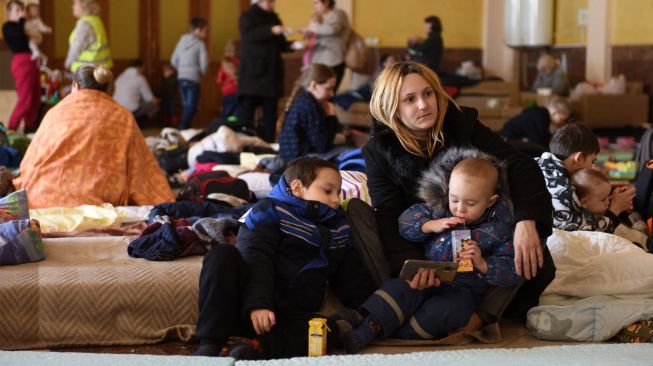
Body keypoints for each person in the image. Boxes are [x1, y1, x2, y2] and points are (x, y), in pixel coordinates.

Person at [362, 61, 555, 324]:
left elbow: (519, 164)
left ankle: (480, 315)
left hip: (483, 238)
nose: (423, 104)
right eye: (410, 99)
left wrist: (526, 220)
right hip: (424, 244)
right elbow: (389, 215)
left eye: (428, 94)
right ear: (392, 109)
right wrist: (414, 269)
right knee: (365, 226)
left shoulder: (461, 124)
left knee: (537, 260)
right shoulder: (378, 151)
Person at [193, 157, 376, 359]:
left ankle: (255, 349)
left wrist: (374, 311)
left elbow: (351, 277)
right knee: (221, 254)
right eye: (327, 191)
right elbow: (256, 258)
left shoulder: (339, 226)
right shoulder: (268, 211)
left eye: (338, 192)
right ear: (298, 188)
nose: (335, 199)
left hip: (286, 314)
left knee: (327, 330)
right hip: (246, 301)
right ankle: (209, 345)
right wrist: (258, 305)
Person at [342, 149, 522, 353]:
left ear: (490, 201)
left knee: (447, 312)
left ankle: (384, 328)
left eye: (471, 203)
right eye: (455, 200)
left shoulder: (499, 228)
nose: (460, 209)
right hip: (425, 275)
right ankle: (368, 325)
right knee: (399, 289)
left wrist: (483, 264)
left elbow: (512, 268)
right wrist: (429, 226)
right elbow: (404, 222)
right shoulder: (439, 209)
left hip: (462, 291)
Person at [13, 65, 174, 209]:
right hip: (98, 204)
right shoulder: (123, 116)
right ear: (106, 88)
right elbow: (141, 168)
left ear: (76, 86)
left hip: (44, 198)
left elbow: (30, 162)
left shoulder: (55, 112)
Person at [538, 123, 635, 232]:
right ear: (578, 158)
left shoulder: (539, 163)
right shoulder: (565, 193)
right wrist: (615, 209)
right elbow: (589, 239)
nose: (593, 167)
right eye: (592, 161)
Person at [237, 0, 291, 143]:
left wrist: (291, 45)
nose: (272, 4)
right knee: (246, 114)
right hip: (252, 75)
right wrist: (271, 30)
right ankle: (242, 143)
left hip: (271, 75)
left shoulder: (274, 17)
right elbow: (249, 36)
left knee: (270, 115)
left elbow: (281, 44)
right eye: (269, 1)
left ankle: (268, 145)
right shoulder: (248, 16)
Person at [572, 168, 648, 247]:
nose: (607, 202)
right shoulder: (584, 220)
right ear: (584, 202)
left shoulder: (594, 206)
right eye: (603, 200)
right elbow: (599, 233)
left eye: (607, 197)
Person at [278, 64, 338, 163]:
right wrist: (332, 117)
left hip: (292, 155)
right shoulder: (309, 105)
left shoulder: (304, 98)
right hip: (299, 159)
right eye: (328, 89)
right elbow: (323, 145)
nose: (332, 94)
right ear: (314, 85)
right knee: (348, 151)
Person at [2, 0, 41, 132]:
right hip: (21, 61)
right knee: (25, 98)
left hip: (32, 60)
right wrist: (22, 19)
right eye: (17, 10)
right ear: (9, 13)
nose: (20, 13)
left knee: (36, 97)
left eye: (21, 9)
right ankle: (12, 128)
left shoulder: (24, 25)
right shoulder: (8, 26)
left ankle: (30, 127)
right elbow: (19, 37)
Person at [301, 0, 351, 91]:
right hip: (320, 61)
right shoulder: (323, 17)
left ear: (326, 2)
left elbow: (332, 30)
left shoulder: (339, 14)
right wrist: (308, 33)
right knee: (315, 94)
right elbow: (319, 35)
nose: (314, 6)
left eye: (316, 3)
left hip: (333, 61)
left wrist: (312, 27)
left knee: (327, 95)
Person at [171, 17, 209, 130]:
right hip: (193, 78)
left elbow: (174, 60)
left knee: (187, 106)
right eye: (206, 31)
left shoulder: (181, 42)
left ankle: (185, 128)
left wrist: (182, 70)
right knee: (192, 107)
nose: (207, 34)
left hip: (181, 78)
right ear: (198, 30)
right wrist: (200, 74)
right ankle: (182, 127)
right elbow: (204, 63)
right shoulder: (200, 44)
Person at [500, 96, 571, 152]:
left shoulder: (541, 113)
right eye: (561, 119)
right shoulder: (541, 117)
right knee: (541, 150)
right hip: (507, 139)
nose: (561, 123)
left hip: (510, 138)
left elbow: (544, 136)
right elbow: (538, 140)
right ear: (555, 113)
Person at [65, 0, 113, 73]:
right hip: (100, 69)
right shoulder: (96, 20)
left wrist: (67, 63)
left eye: (75, 4)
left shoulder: (85, 24)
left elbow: (77, 46)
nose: (72, 7)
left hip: (88, 71)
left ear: (84, 6)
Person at [113, 59, 159, 126]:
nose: (143, 70)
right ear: (139, 67)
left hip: (117, 109)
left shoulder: (120, 77)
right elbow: (149, 98)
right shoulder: (140, 78)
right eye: (143, 68)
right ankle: (138, 123)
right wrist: (158, 100)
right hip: (132, 110)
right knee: (155, 106)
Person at [216, 40, 239, 119]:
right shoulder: (239, 62)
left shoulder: (224, 64)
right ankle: (234, 127)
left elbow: (219, 80)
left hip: (227, 93)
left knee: (226, 113)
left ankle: (226, 126)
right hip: (238, 92)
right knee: (236, 114)